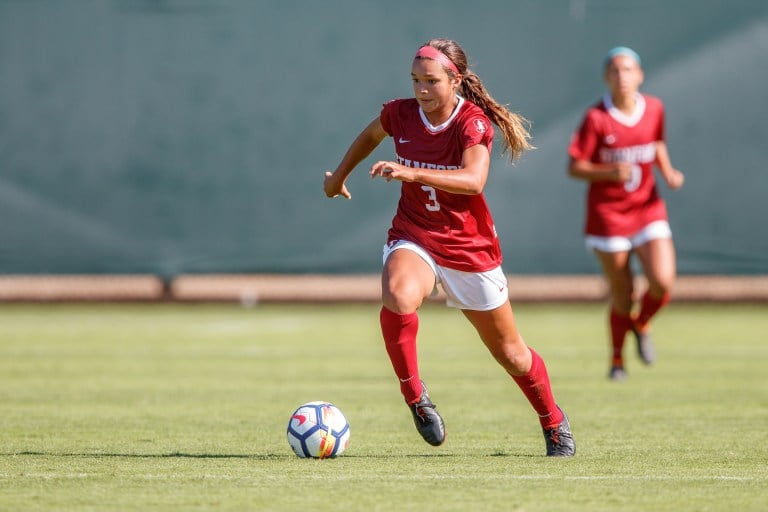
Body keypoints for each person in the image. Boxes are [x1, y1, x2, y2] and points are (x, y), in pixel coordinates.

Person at [324, 38, 575, 456]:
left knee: (512, 355)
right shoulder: (400, 113)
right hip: (415, 233)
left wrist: (410, 172)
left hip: (468, 248)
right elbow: (371, 134)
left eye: (431, 81)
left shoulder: (471, 122)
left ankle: (552, 420)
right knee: (399, 295)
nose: (421, 89)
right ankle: (416, 398)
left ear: (454, 80)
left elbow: (474, 180)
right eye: (415, 80)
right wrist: (339, 177)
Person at [567, 46, 685, 381]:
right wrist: (607, 172)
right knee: (624, 293)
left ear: (640, 75)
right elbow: (574, 167)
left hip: (647, 209)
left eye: (628, 70)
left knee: (662, 281)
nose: (622, 77)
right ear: (606, 77)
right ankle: (617, 362)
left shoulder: (654, 108)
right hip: (609, 216)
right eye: (616, 71)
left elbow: (656, 143)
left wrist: (669, 171)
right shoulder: (596, 118)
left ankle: (641, 323)